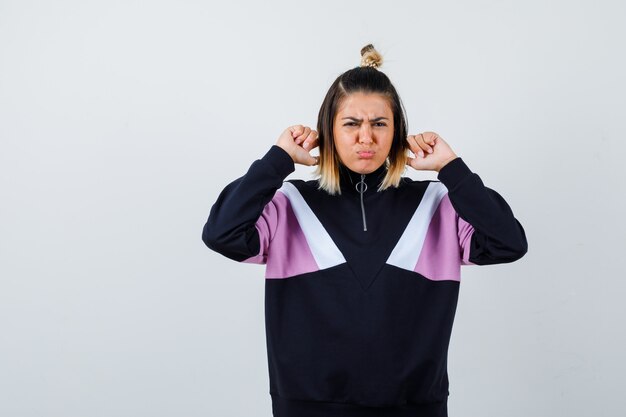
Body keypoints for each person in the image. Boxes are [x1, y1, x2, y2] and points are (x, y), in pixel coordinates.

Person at [202, 44, 528, 417]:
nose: (366, 138)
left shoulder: (437, 204)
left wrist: (452, 168)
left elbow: (508, 243)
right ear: (329, 130)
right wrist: (277, 160)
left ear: (397, 132)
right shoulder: (289, 204)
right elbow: (221, 233)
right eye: (351, 123)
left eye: (379, 124)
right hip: (307, 408)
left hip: (415, 407)